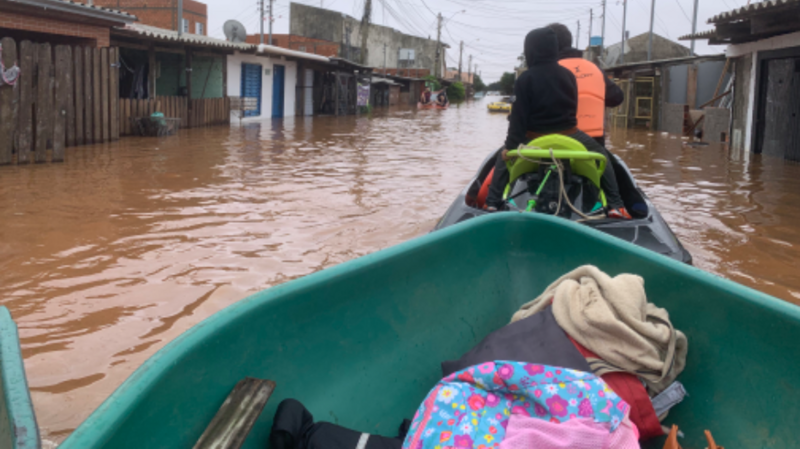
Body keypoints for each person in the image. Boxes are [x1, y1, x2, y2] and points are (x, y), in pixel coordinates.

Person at [484, 27, 631, 219]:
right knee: (602, 156)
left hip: (533, 137)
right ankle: (616, 205)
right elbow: (572, 109)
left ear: (530, 50)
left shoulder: (525, 79)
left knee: (502, 160)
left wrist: (510, 148)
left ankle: (492, 203)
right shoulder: (568, 75)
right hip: (570, 134)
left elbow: (518, 120)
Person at [548, 23, 624, 147]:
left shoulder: (546, 71)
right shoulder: (595, 69)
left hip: (557, 144)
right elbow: (617, 98)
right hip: (594, 145)